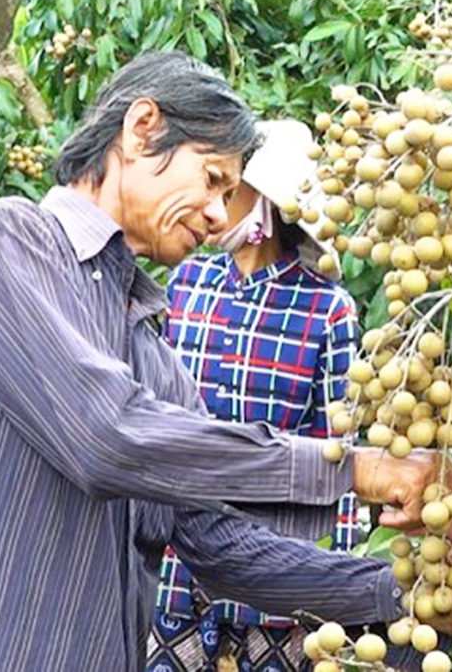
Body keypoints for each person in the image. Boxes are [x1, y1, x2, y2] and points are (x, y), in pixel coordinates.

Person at [0, 52, 452, 671]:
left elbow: (222, 546)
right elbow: (104, 437)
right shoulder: (8, 241)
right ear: (141, 128)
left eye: (230, 195)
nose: (217, 216)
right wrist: (358, 470)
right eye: (212, 181)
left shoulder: (148, 345)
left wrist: (407, 595)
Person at [147, 121, 363, 672]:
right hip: (178, 568)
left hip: (276, 576)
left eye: (230, 189)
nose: (214, 204)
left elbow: (338, 451)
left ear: (265, 205)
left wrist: (331, 586)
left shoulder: (327, 309)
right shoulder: (187, 283)